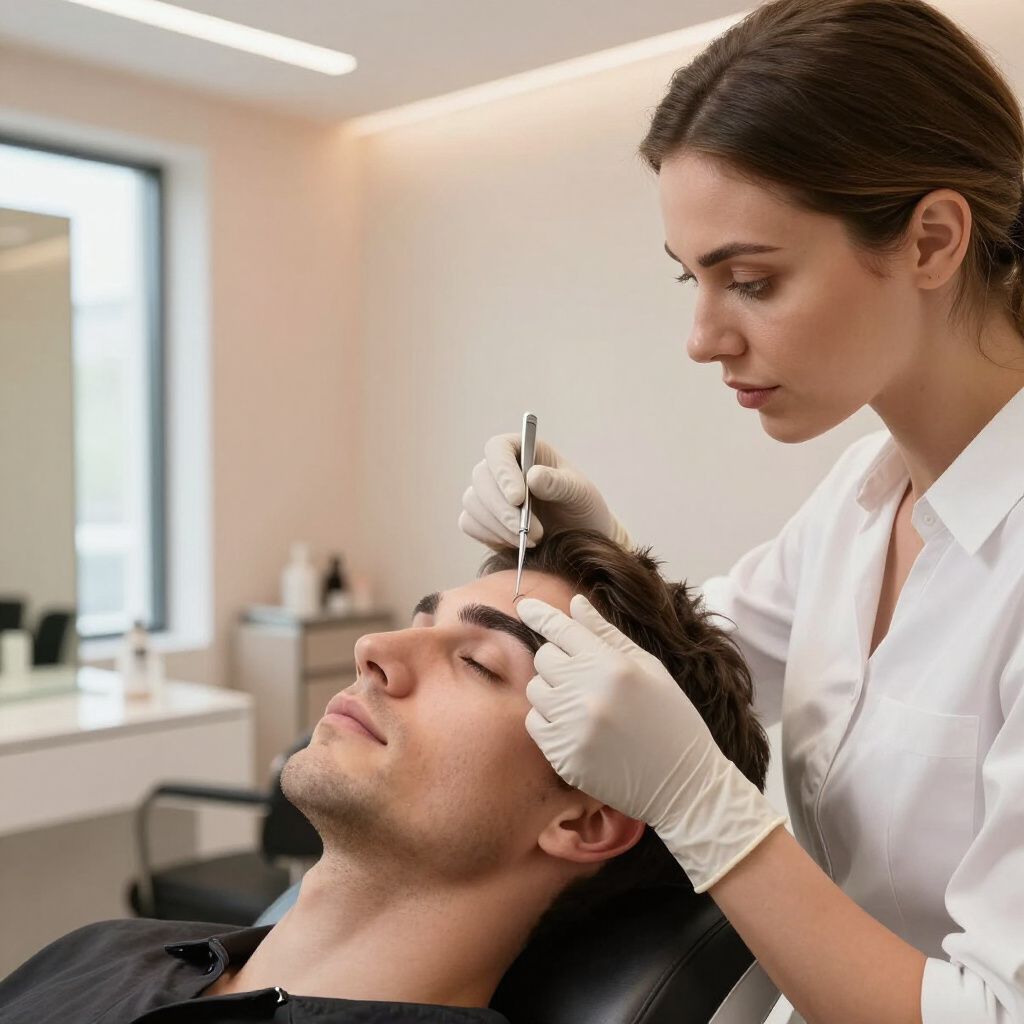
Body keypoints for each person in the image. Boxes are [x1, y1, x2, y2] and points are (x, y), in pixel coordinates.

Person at [459, 2, 1024, 1022]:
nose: (702, 337)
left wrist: (706, 812)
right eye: (694, 279)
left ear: (933, 240)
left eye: (751, 281)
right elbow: (697, 669)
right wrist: (593, 545)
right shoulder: (859, 498)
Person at [0, 530, 770, 1024]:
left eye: (477, 663)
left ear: (584, 821)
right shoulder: (104, 950)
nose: (373, 649)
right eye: (418, 622)